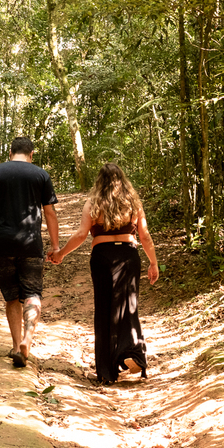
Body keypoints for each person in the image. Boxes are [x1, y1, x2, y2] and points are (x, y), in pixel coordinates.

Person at [51, 163, 158, 385]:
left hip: (102, 258)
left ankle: (107, 372)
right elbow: (145, 236)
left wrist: (61, 253)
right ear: (123, 180)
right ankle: (133, 352)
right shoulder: (133, 203)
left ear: (100, 181)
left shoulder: (94, 203)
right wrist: (153, 263)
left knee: (104, 309)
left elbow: (81, 234)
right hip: (128, 256)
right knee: (129, 306)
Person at [0, 137, 59, 368]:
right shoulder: (40, 175)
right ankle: (27, 340)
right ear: (31, 154)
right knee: (32, 292)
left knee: (12, 296)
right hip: (31, 243)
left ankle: (15, 347)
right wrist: (55, 246)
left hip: (3, 242)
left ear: (10, 152)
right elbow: (50, 213)